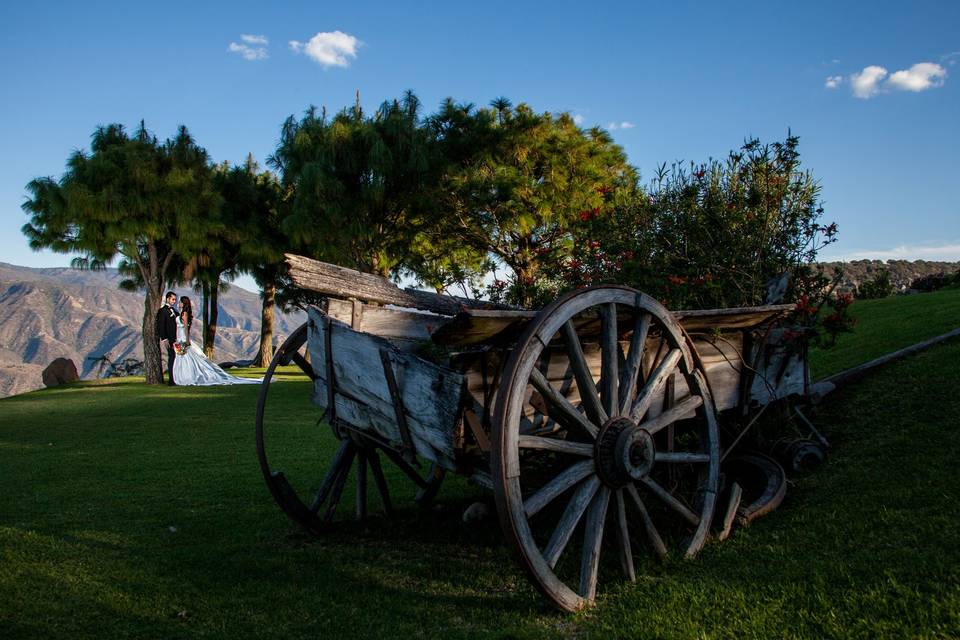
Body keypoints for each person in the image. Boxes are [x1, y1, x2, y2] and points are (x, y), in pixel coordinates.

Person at [171, 296, 260, 386]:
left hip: (183, 337)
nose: (179, 303)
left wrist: (186, 340)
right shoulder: (183, 313)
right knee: (183, 358)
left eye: (180, 302)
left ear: (183, 303)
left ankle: (186, 377)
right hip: (179, 337)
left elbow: (186, 328)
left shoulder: (184, 314)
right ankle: (183, 376)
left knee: (185, 358)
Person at [155, 291, 179, 385]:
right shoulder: (162, 311)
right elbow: (161, 326)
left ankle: (177, 378)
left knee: (177, 358)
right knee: (172, 358)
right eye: (173, 299)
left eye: (175, 300)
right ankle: (171, 380)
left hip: (177, 339)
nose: (174, 301)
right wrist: (164, 339)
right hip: (169, 339)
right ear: (168, 299)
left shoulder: (175, 311)